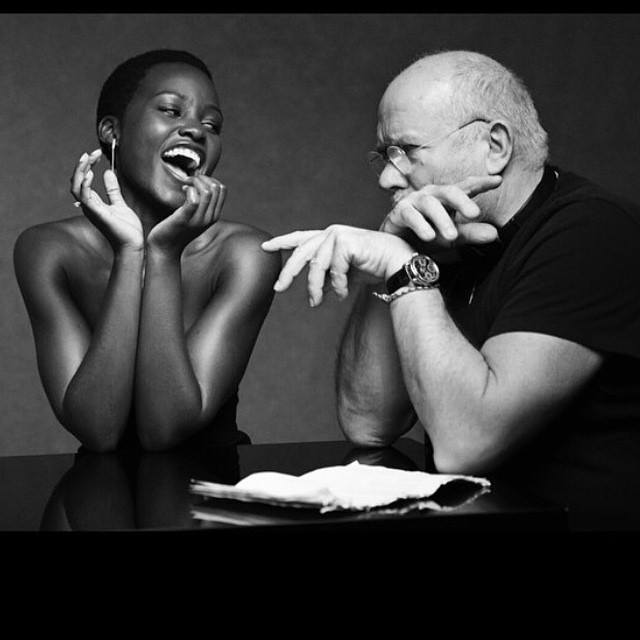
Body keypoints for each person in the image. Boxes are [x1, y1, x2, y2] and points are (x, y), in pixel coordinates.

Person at [261, 50, 640, 530]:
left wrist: (402, 267)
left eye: (407, 150)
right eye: (384, 155)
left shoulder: (590, 232)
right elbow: (368, 424)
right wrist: (393, 254)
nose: (386, 177)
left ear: (495, 145)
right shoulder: (448, 236)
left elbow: (467, 442)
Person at [14, 49, 281, 453]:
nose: (196, 130)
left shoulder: (245, 254)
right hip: (99, 489)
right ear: (112, 131)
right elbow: (98, 430)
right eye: (171, 111)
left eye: (212, 124)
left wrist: (162, 255)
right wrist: (130, 253)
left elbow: (164, 429)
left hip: (211, 481)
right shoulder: (49, 250)